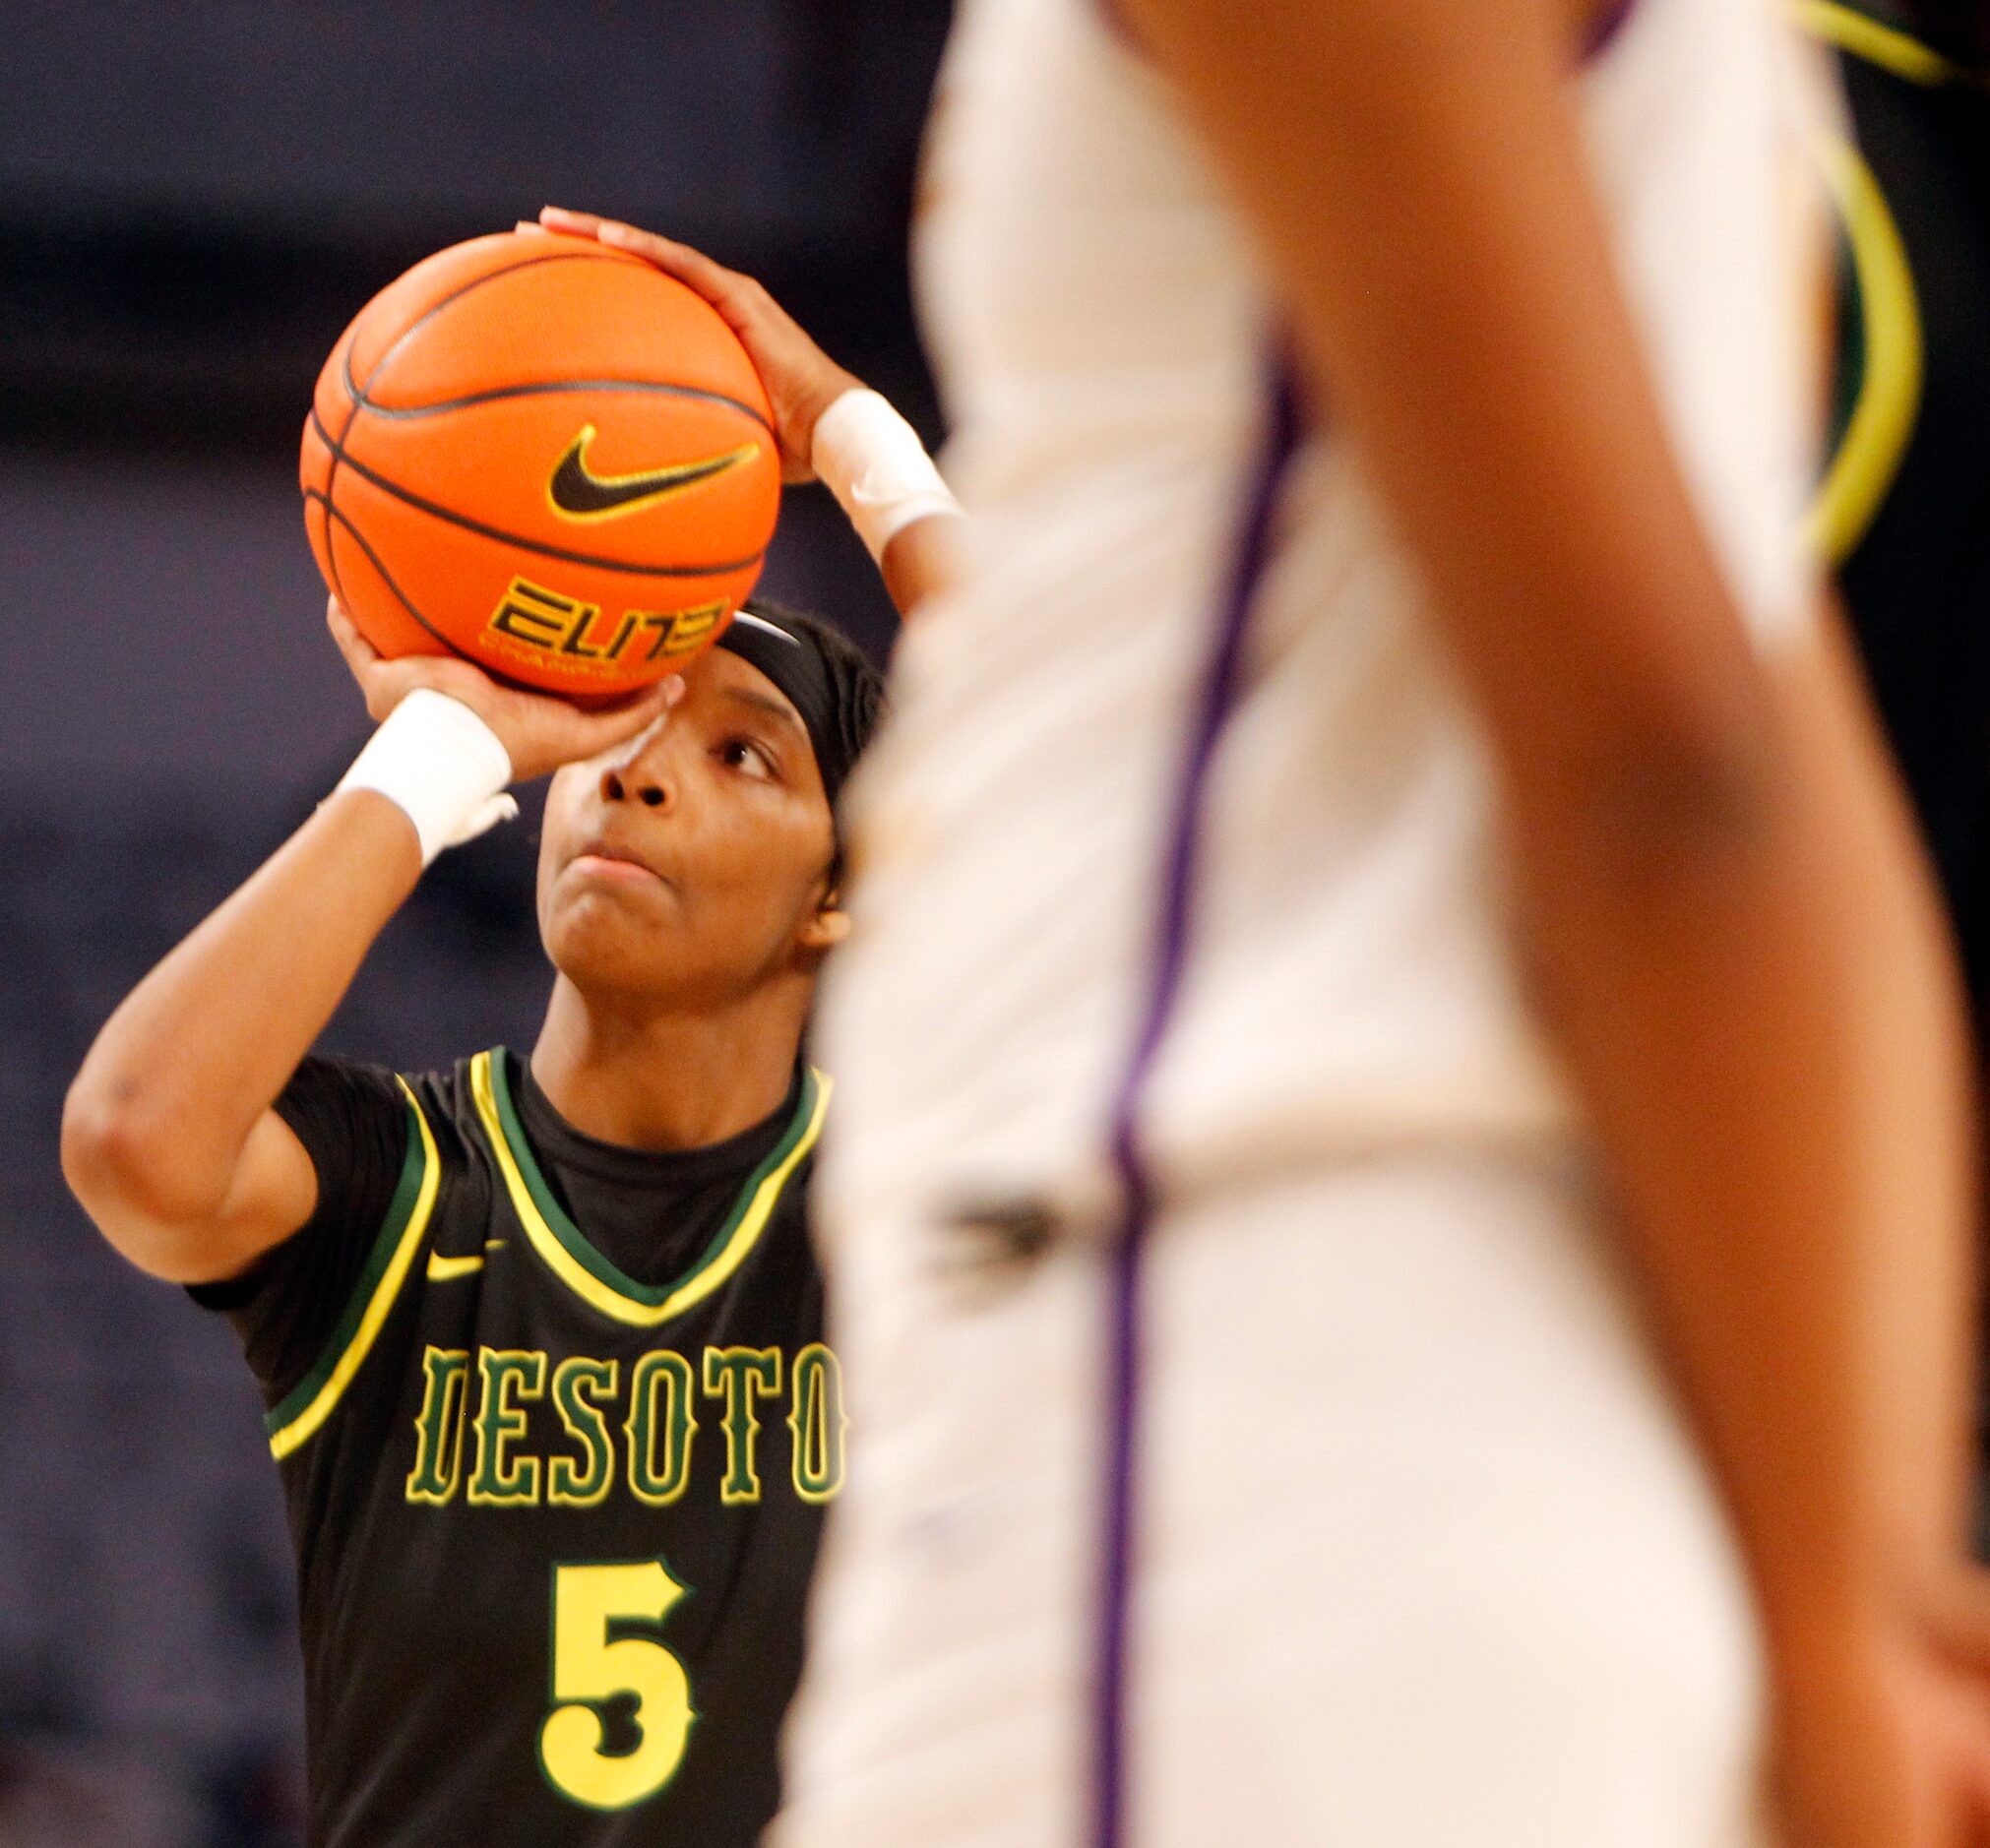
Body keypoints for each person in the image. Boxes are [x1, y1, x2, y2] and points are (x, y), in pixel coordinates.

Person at [561, 3, 1990, 1845]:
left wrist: (1837, 1633)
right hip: (1494, 1456)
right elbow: (1761, 784)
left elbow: (1675, 783)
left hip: (1256, 1397)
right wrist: (1856, 1590)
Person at [61, 585, 882, 1845]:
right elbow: (133, 1139)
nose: (640, 773)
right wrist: (436, 750)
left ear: (842, 891)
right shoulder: (400, 1185)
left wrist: (858, 443)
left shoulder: (893, 1211)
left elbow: (1129, 807)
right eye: (616, 718)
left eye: (742, 753)